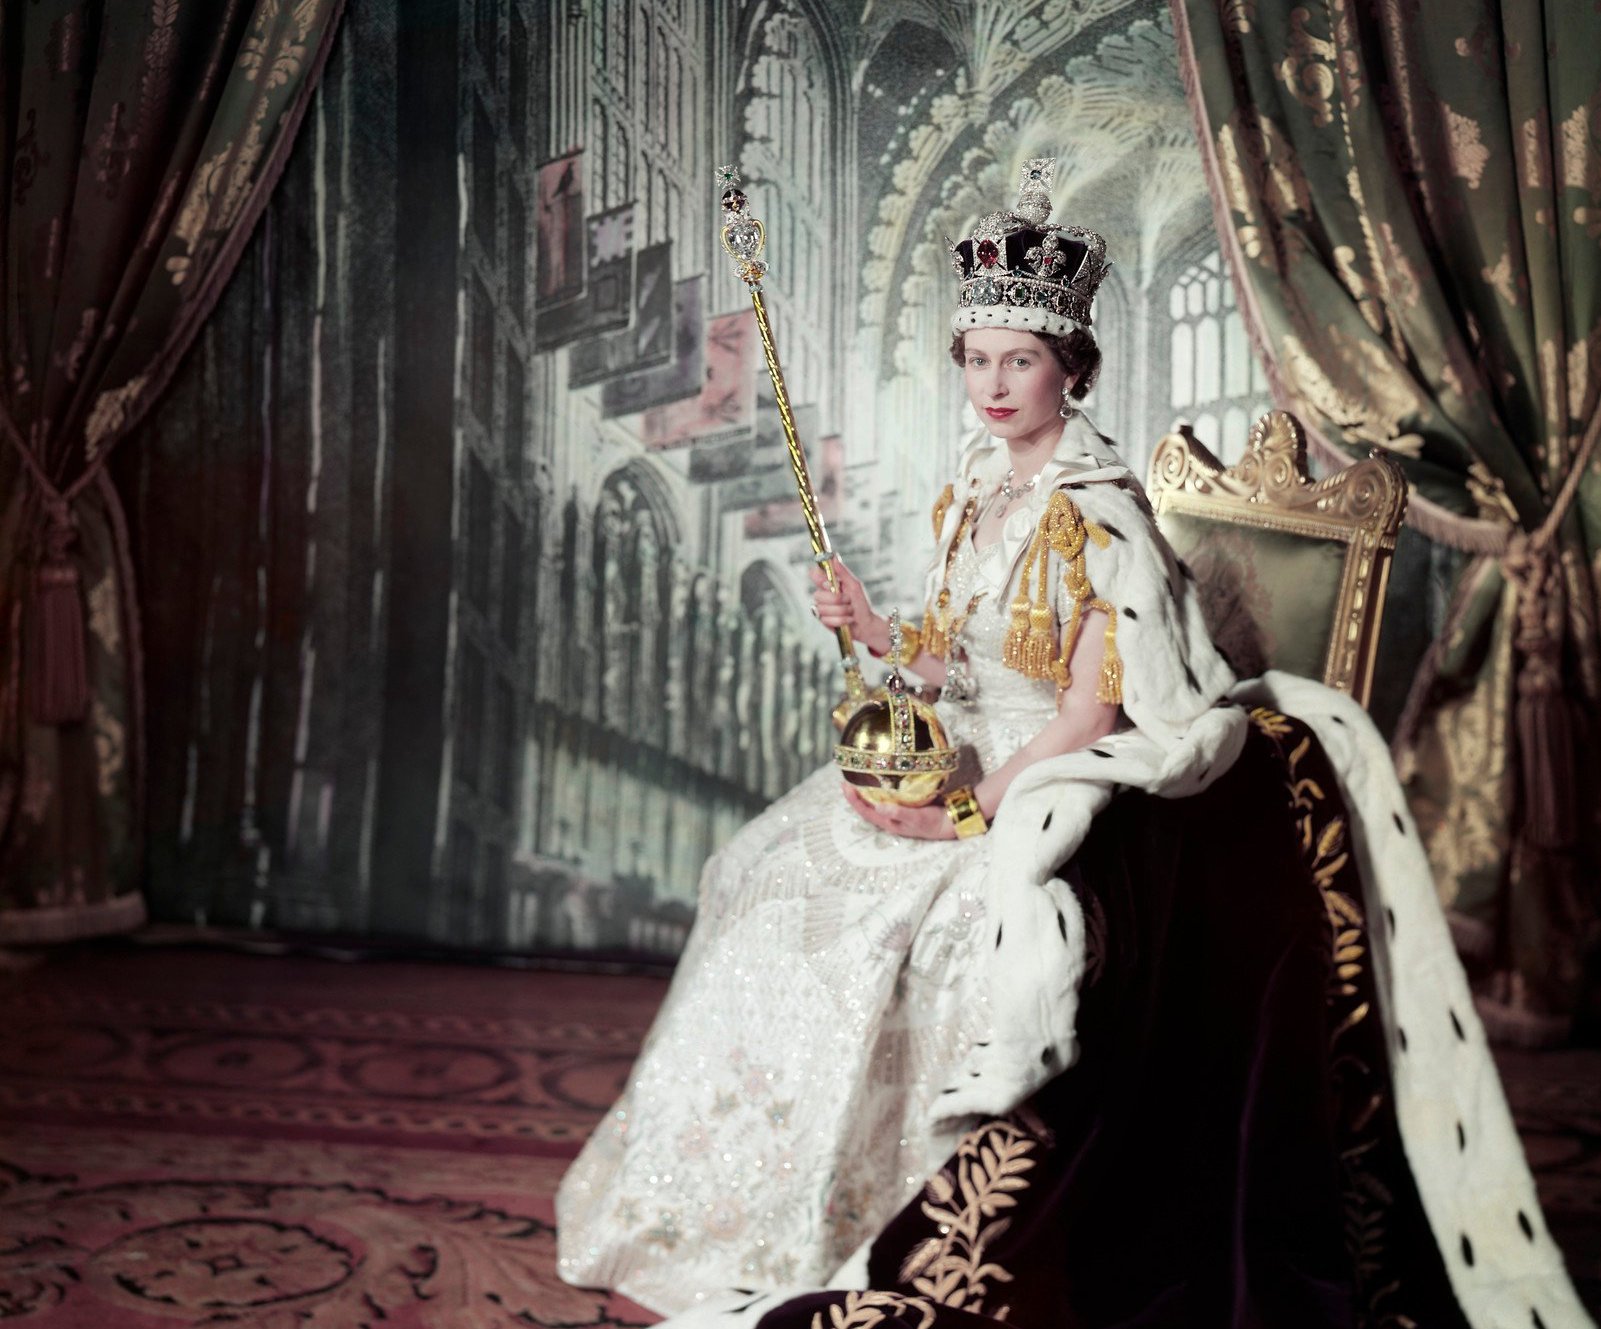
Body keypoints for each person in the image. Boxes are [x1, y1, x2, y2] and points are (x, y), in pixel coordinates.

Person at [557, 161, 1592, 1329]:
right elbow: (949, 658)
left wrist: (955, 812)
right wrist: (876, 630)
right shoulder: (968, 489)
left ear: (1070, 369)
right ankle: (741, 1209)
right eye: (977, 359)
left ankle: (899, 1218)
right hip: (964, 743)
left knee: (926, 922)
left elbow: (1085, 718)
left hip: (1053, 772)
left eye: (1021, 361)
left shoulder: (1102, 516)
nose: (994, 385)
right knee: (761, 867)